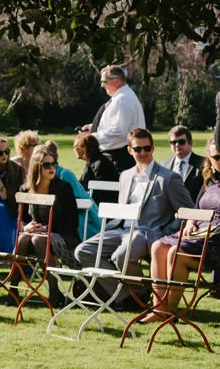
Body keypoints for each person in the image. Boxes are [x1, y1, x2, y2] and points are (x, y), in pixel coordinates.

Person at [73, 127, 192, 306]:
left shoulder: (168, 178)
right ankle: (131, 295)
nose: (143, 152)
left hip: (147, 233)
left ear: (153, 148)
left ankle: (136, 294)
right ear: (130, 150)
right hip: (120, 229)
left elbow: (187, 212)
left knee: (121, 256)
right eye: (137, 149)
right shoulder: (125, 176)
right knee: (82, 252)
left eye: (147, 148)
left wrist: (166, 231)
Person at [142, 137, 220, 321]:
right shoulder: (210, 180)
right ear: (209, 157)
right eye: (216, 156)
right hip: (200, 230)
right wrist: (191, 222)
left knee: (176, 252)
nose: (219, 160)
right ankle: (158, 308)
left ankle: (168, 311)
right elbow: (197, 209)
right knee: (158, 247)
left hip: (216, 238)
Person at [8, 144, 78, 307]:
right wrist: (27, 227)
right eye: (46, 165)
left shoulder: (63, 188)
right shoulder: (25, 190)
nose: (51, 168)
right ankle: (13, 290)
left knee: (37, 240)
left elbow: (72, 222)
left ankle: (54, 292)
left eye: (54, 164)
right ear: (36, 167)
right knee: (24, 238)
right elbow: (22, 219)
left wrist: (47, 229)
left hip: (63, 235)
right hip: (35, 235)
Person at [82, 64, 147, 173]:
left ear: (116, 81)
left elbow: (118, 132)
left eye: (104, 81)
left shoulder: (122, 100)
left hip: (119, 159)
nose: (102, 85)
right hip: (118, 156)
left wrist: (92, 138)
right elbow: (116, 125)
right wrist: (94, 128)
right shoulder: (122, 97)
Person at [76, 130, 120, 206]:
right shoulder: (93, 161)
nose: (74, 149)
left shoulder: (100, 163)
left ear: (85, 148)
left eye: (76, 146)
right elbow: (81, 184)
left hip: (104, 206)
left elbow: (99, 190)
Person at [164, 125, 204, 201]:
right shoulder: (164, 164)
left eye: (181, 142)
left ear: (191, 143)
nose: (177, 145)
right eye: (173, 142)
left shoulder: (204, 163)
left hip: (194, 210)